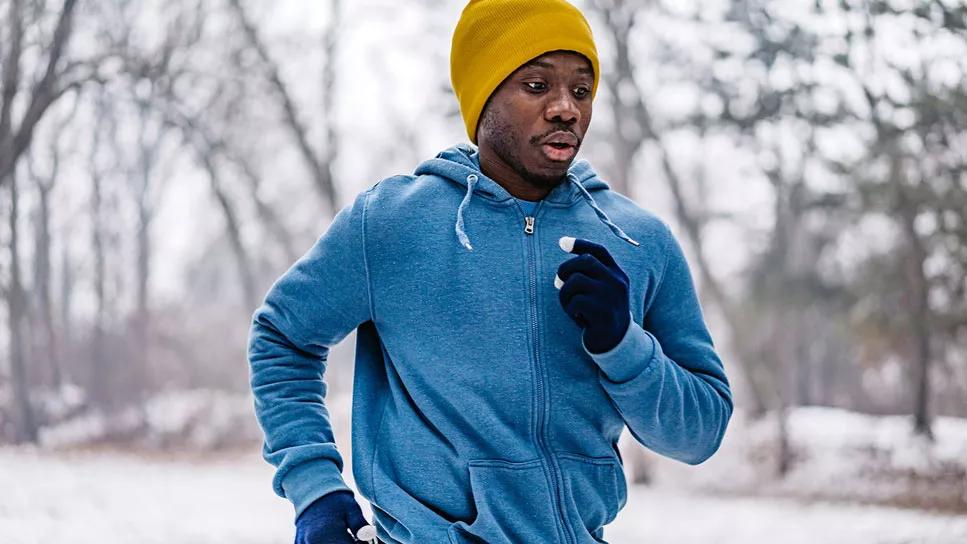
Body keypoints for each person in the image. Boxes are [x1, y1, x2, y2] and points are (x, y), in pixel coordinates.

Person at [247, 1, 733, 543]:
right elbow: (282, 338)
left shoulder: (636, 242)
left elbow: (701, 432)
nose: (565, 109)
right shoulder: (392, 224)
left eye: (580, 90)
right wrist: (315, 488)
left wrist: (624, 345)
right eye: (535, 85)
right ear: (484, 98)